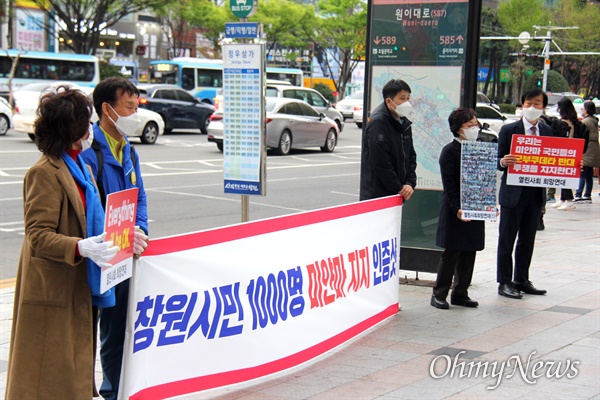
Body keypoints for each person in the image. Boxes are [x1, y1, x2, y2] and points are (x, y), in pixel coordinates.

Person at [6, 87, 119, 398]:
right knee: (49, 374)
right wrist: (79, 247)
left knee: (72, 369)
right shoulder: (44, 172)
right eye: (88, 123)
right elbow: (38, 234)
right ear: (74, 129)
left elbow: (93, 218)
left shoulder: (79, 166)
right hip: (53, 287)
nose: (92, 130)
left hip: (78, 281)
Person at [80, 77, 149, 400]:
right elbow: (86, 207)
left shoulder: (128, 150)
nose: (135, 114)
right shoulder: (90, 151)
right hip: (98, 257)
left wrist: (141, 231)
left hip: (123, 257)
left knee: (118, 331)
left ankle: (115, 391)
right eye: (129, 108)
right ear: (107, 109)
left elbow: (140, 198)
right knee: (90, 334)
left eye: (136, 107)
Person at [497, 88, 552, 299]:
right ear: (522, 105)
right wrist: (503, 161)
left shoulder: (546, 131)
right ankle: (504, 281)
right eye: (528, 103)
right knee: (507, 240)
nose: (532, 107)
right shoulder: (509, 130)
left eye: (537, 103)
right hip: (513, 194)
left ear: (543, 107)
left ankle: (521, 279)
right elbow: (498, 160)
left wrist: (573, 166)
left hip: (535, 194)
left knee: (527, 239)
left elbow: (554, 158)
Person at [431, 108, 484, 310]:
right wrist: (457, 208)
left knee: (470, 251)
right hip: (456, 208)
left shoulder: (479, 148)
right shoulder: (450, 151)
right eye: (469, 125)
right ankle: (439, 293)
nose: (474, 129)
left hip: (475, 206)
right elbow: (449, 185)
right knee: (451, 252)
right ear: (458, 129)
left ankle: (461, 292)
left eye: (475, 124)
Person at [359, 79, 417, 201]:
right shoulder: (378, 123)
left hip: (397, 193)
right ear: (389, 101)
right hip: (377, 195)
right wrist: (399, 187)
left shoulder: (403, 122)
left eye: (408, 98)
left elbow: (410, 156)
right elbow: (380, 161)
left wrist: (410, 183)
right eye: (402, 98)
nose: (406, 103)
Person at [550, 98, 589, 211]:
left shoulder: (561, 122)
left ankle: (569, 201)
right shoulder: (577, 122)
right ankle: (563, 199)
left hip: (563, 153)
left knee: (563, 176)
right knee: (563, 176)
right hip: (574, 153)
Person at [574, 101, 598, 203]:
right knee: (588, 174)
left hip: (587, 149)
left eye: (583, 109)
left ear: (587, 110)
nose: (582, 110)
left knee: (582, 172)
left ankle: (578, 194)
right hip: (594, 149)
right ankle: (587, 195)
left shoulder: (585, 122)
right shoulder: (594, 120)